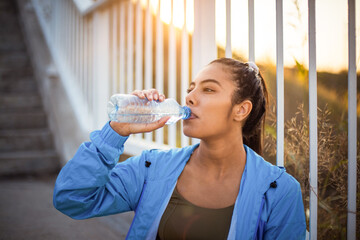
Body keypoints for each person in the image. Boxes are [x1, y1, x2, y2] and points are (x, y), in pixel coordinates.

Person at [53, 58, 306, 239]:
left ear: (241, 109)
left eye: (208, 89)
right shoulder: (152, 168)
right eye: (190, 89)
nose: (190, 97)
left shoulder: (279, 192)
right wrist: (115, 132)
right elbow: (72, 198)